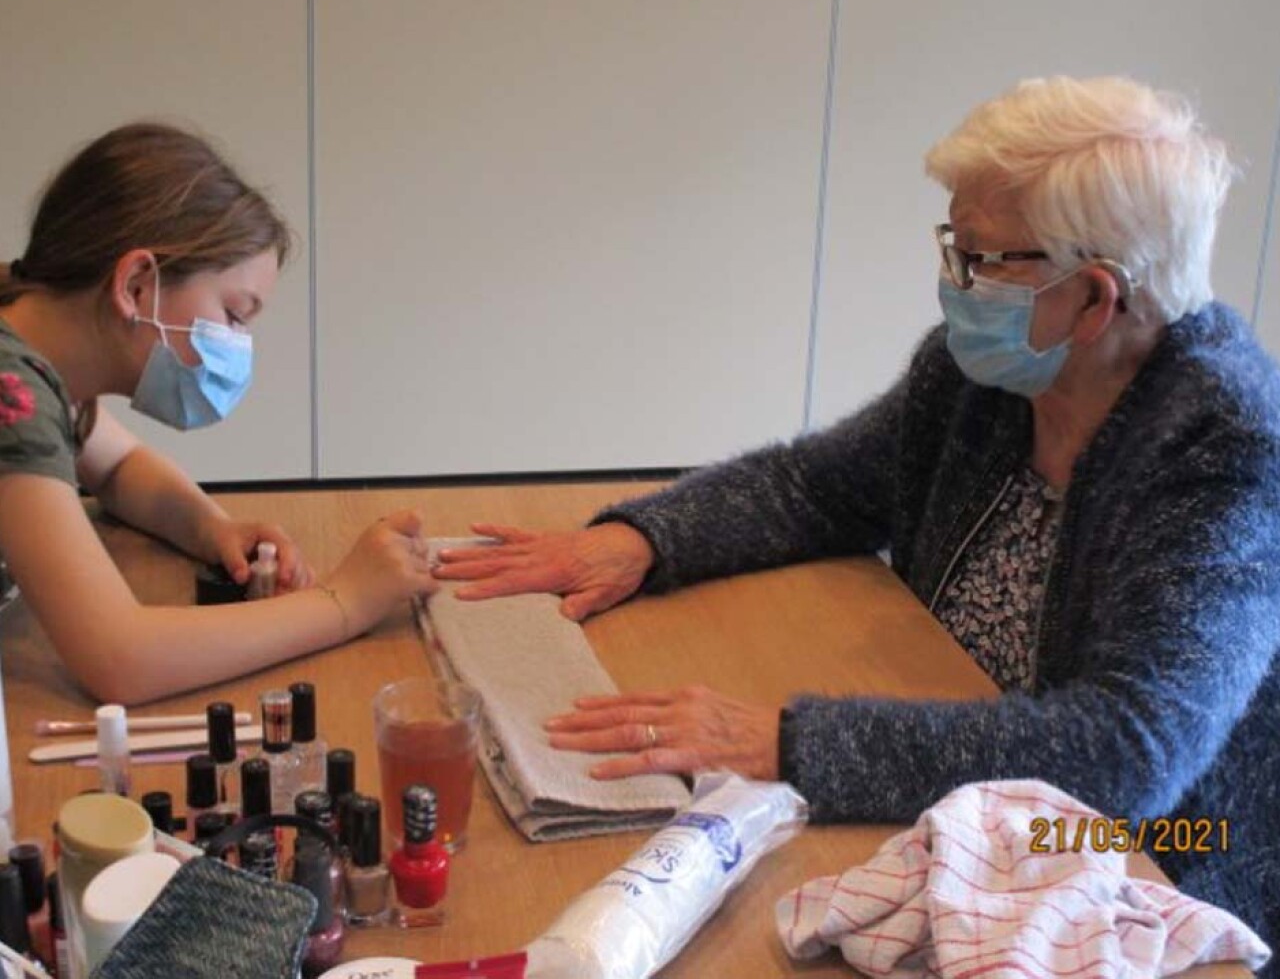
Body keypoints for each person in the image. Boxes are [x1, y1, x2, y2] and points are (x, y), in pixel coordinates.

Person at [433, 78, 1280, 949]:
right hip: (954, 789)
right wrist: (641, 540)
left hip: (1153, 861)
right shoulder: (987, 378)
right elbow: (817, 487)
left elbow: (1127, 754)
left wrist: (789, 743)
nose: (953, 284)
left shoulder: (1229, 445)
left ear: (1096, 300)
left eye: (983, 262)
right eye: (954, 246)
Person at [0, 122, 436, 704]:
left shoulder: (34, 349)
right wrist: (345, 601)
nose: (237, 345)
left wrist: (213, 530)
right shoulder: (12, 397)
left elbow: (118, 465)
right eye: (233, 315)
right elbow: (120, 657)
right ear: (136, 285)